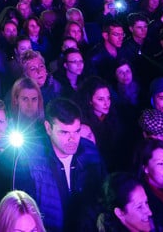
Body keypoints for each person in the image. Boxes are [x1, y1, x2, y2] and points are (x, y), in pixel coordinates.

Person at [14, 98, 106, 232]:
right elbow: (22, 208)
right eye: (64, 132)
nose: (72, 139)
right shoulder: (30, 158)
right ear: (48, 128)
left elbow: (103, 194)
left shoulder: (90, 152)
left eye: (77, 131)